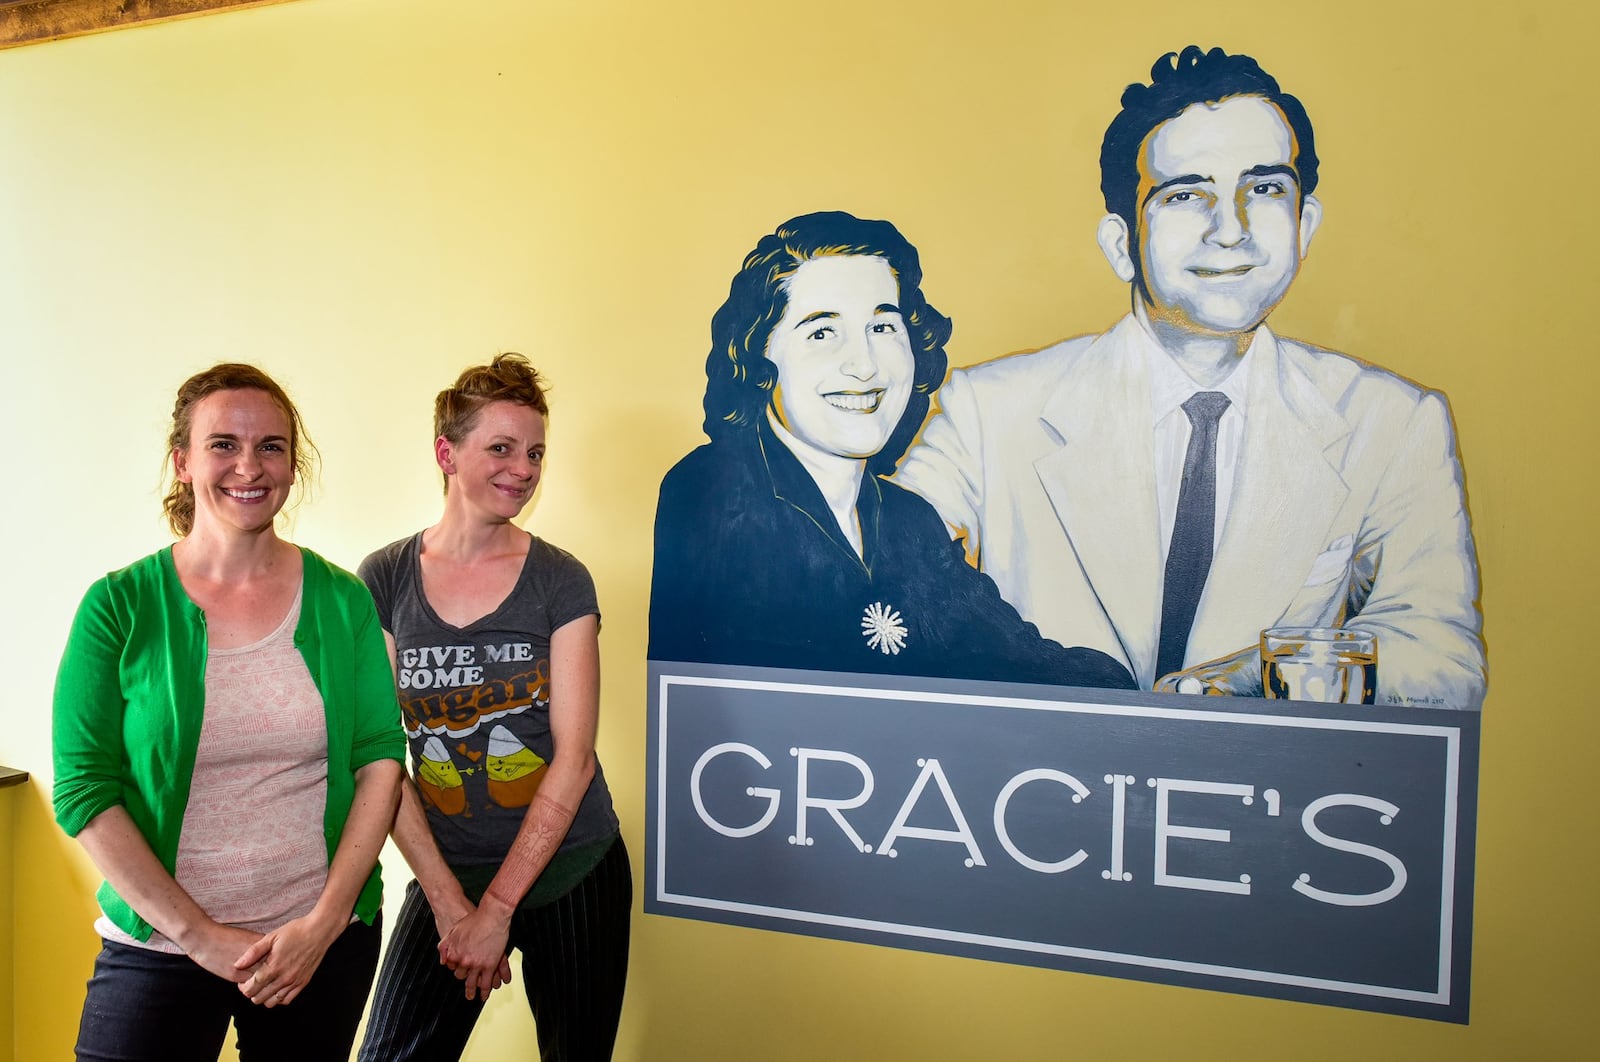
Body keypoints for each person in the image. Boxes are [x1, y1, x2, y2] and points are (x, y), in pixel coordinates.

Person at [895, 46, 1486, 710]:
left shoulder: (1395, 422)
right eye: (1186, 195)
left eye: (1264, 189)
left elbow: (1443, 659)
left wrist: (1263, 675)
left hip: (1271, 804)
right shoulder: (988, 410)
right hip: (1035, 797)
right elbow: (879, 586)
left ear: (1305, 224)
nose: (1231, 229)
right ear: (1122, 244)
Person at [52, 364, 406, 1061]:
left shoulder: (341, 599)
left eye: (272, 446)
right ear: (182, 462)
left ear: (292, 465)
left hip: (315, 947)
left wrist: (324, 925)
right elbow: (83, 787)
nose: (250, 465)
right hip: (159, 943)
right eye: (223, 444)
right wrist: (198, 936)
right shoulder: (118, 606)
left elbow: (380, 761)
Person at [650, 210, 1135, 690]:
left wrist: (1157, 695)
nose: (864, 365)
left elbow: (1019, 659)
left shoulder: (909, 521)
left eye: (883, 328)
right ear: (759, 356)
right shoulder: (712, 489)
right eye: (822, 332)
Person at [356, 354, 630, 1062]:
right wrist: (453, 909)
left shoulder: (560, 580)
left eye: (535, 451)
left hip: (572, 866)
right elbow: (381, 756)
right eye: (501, 448)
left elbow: (572, 760)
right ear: (447, 453)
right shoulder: (385, 578)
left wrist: (499, 911)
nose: (523, 467)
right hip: (451, 870)